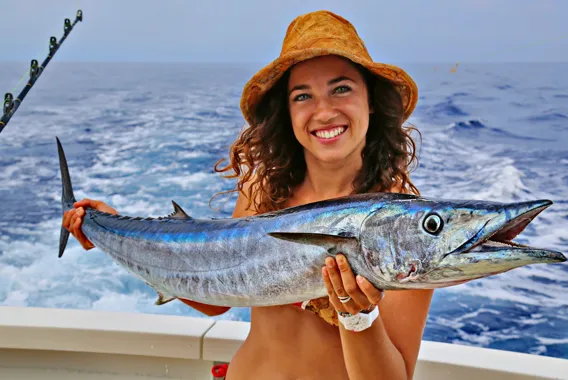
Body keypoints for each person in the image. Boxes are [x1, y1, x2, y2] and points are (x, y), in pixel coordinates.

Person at [62, 10, 433, 380]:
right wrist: (116, 237)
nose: (323, 111)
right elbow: (217, 294)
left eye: (341, 88)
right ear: (286, 113)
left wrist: (358, 316)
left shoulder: (405, 230)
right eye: (302, 96)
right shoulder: (264, 190)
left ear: (371, 100)